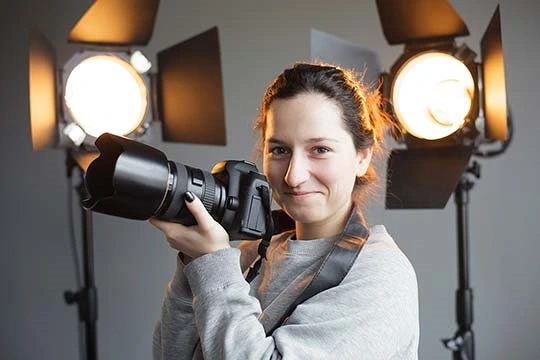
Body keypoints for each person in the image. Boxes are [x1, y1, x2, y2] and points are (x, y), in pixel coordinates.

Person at [150, 63, 419, 359]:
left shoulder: (379, 274)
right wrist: (194, 261)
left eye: (319, 150)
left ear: (361, 157)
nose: (293, 176)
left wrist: (211, 262)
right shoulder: (248, 257)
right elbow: (172, 354)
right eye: (279, 150)